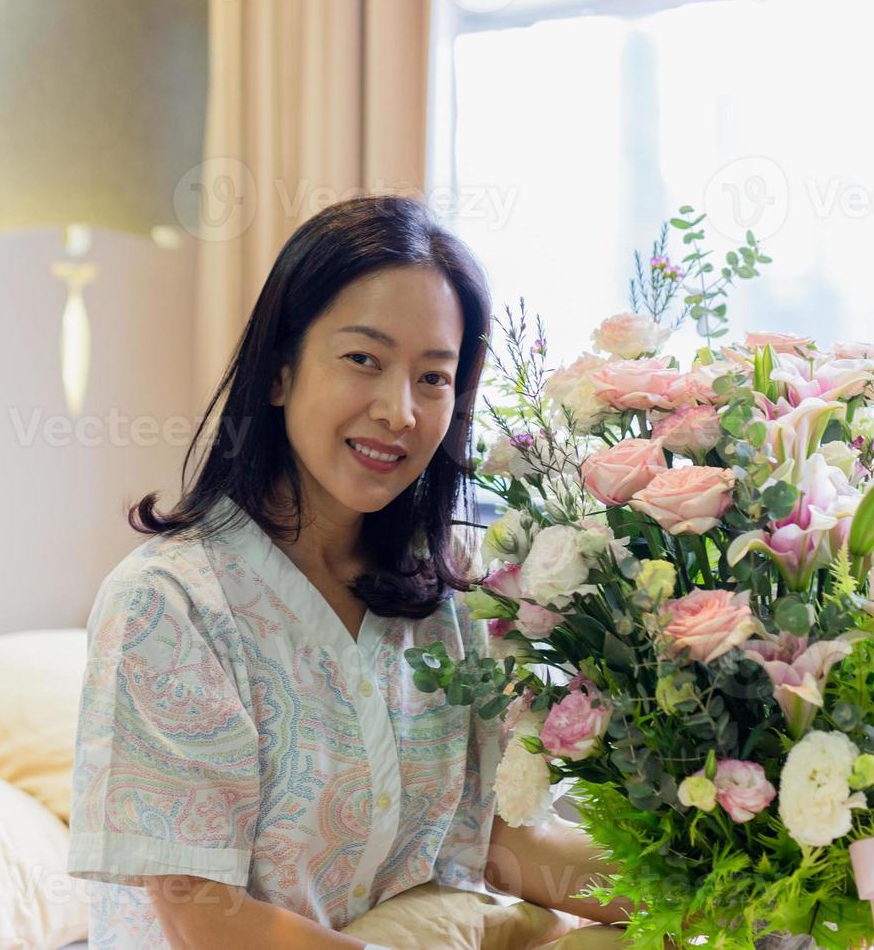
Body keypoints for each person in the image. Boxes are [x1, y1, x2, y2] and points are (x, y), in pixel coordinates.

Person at [66, 195, 628, 948]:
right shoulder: (169, 606)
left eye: (433, 378)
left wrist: (739, 903)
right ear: (278, 370)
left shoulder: (446, 604)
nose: (399, 411)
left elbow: (500, 842)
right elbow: (202, 915)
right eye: (363, 359)